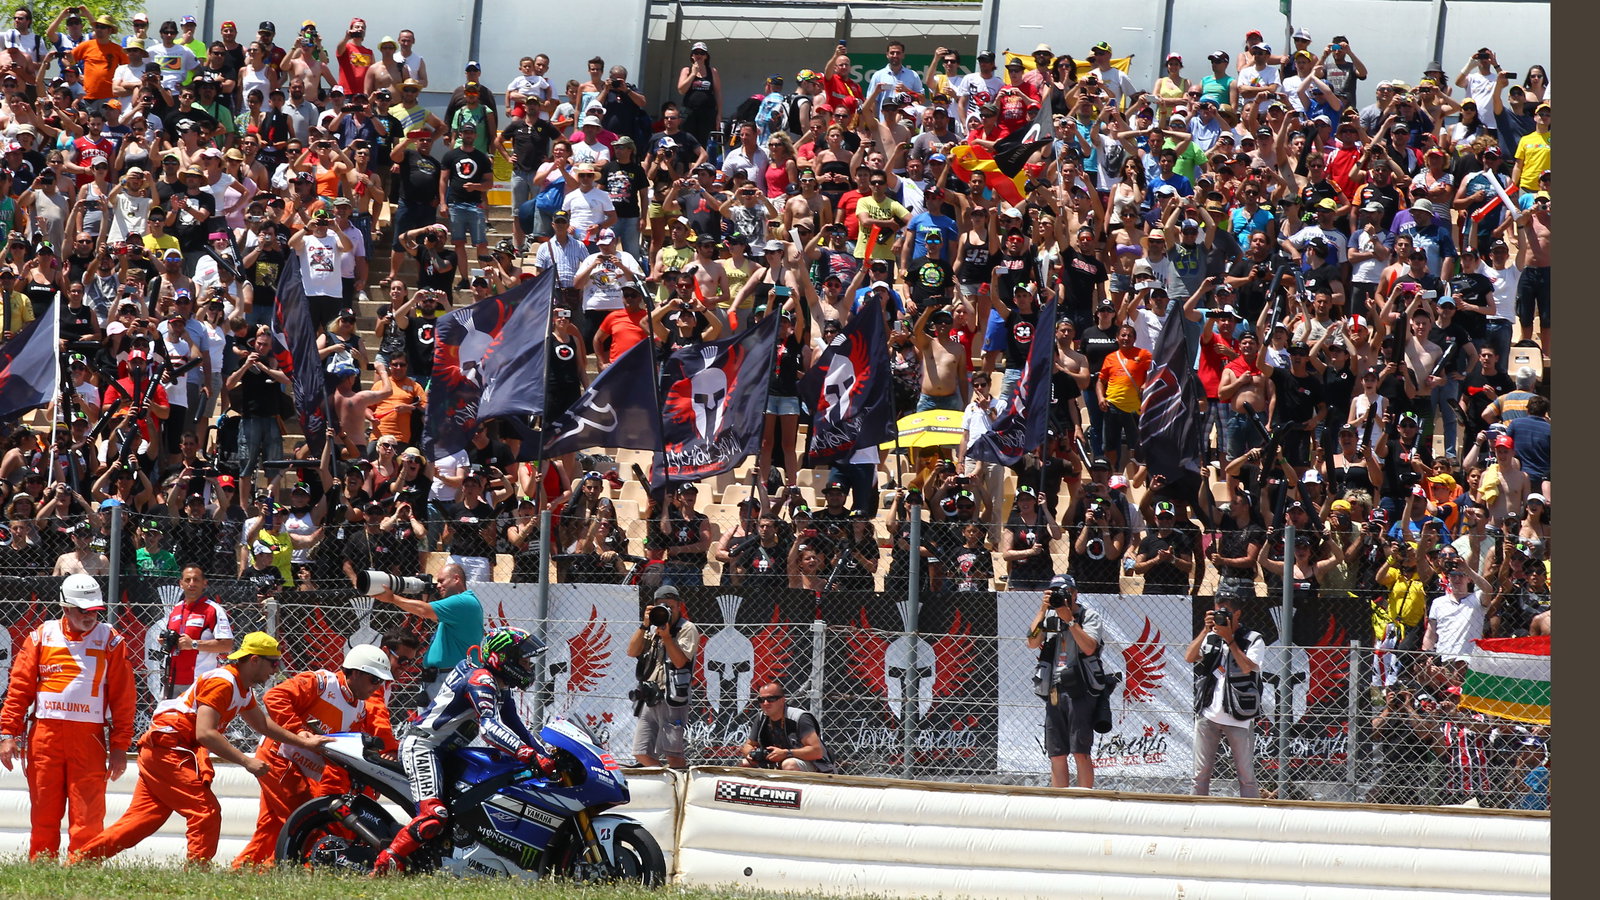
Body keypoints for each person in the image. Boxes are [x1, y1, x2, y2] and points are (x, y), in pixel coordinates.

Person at [72, 633, 334, 864]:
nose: (275, 671)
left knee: (142, 820)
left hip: (166, 750)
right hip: (168, 749)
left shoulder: (241, 688)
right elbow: (205, 733)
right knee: (205, 812)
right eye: (273, 663)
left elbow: (262, 724)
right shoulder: (224, 683)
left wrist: (303, 741)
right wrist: (247, 762)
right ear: (254, 660)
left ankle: (79, 861)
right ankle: (197, 873)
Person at [373, 626, 554, 875]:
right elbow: (489, 728)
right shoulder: (481, 680)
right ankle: (386, 863)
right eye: (523, 660)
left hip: (447, 751)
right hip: (424, 746)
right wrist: (529, 754)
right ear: (503, 659)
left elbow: (515, 725)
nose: (528, 666)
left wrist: (543, 754)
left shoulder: (498, 683)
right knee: (434, 815)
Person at [0, 574, 136, 860]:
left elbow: (124, 698)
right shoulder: (41, 635)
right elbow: (19, 689)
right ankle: (41, 865)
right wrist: (7, 734)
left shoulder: (111, 639)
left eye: (94, 611)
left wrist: (121, 746)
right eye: (83, 610)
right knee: (44, 810)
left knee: (88, 813)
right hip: (44, 736)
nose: (90, 617)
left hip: (89, 739)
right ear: (65, 607)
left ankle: (83, 867)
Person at [233, 644, 393, 869]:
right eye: (374, 680)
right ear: (355, 673)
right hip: (280, 758)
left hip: (299, 766)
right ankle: (284, 870)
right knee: (302, 820)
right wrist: (299, 731)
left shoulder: (359, 709)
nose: (377, 688)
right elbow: (275, 696)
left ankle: (244, 870)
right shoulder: (321, 683)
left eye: (381, 682)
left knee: (271, 826)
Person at [1025, 574, 1104, 789]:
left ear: (1075, 593)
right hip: (1053, 689)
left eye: (1065, 592)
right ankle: (1059, 802)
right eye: (1055, 592)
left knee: (1080, 751)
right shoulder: (1048, 614)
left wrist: (1069, 619)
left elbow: (1089, 647)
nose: (1061, 596)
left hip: (1080, 689)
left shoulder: (1089, 616)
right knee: (1057, 753)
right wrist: (1043, 610)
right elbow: (1032, 642)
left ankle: (1084, 801)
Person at [1184, 587, 1265, 798]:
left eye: (1226, 612)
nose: (1221, 615)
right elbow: (1189, 656)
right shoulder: (1211, 636)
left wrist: (1230, 639)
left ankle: (1252, 822)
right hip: (1209, 712)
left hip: (1238, 716)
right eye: (1218, 610)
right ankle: (1195, 818)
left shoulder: (1253, 638)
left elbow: (1249, 667)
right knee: (1199, 774)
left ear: (1237, 614)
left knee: (1246, 775)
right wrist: (1205, 630)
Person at [373, 562, 483, 702]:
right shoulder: (457, 607)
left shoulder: (464, 602)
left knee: (441, 724)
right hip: (439, 678)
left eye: (442, 581)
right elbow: (426, 610)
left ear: (456, 579)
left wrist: (392, 598)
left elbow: (424, 610)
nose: (438, 585)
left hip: (451, 678)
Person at [625, 584, 698, 768]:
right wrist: (644, 625)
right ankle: (666, 785)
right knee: (641, 752)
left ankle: (680, 790)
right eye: (662, 606)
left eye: (671, 607)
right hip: (651, 697)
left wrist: (667, 637)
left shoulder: (687, 629)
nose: (667, 611)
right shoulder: (652, 629)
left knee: (672, 755)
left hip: (672, 698)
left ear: (679, 607)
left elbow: (680, 662)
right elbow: (632, 651)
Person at [156, 564, 234, 699]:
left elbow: (227, 645)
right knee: (168, 719)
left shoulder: (213, 609)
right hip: (173, 680)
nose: (191, 584)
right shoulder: (176, 608)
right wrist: (165, 641)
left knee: (197, 720)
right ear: (181, 583)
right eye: (187, 580)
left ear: (204, 583)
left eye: (196, 580)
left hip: (200, 680)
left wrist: (193, 644)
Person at [738, 679, 833, 772]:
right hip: (775, 761)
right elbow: (748, 745)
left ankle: (793, 788)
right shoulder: (761, 717)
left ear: (783, 700)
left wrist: (786, 753)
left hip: (813, 764)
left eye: (771, 699)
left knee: (789, 764)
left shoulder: (800, 717)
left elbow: (816, 752)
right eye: (761, 699)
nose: (765, 703)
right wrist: (752, 754)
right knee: (744, 763)